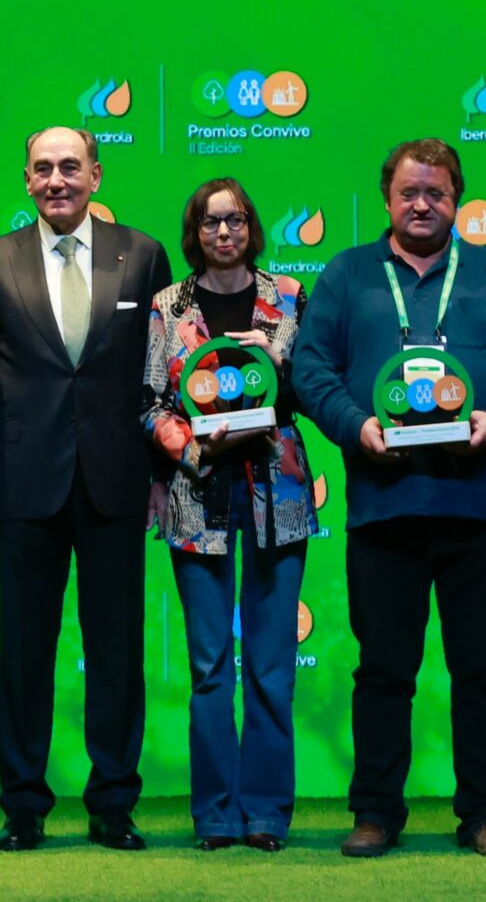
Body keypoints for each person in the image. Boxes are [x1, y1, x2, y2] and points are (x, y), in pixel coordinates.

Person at [290, 138, 486, 859]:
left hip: (481, 507)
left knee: (482, 673)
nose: (421, 204)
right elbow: (310, 367)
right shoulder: (346, 274)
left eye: (436, 192)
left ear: (457, 198)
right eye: (409, 191)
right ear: (387, 197)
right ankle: (376, 811)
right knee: (382, 671)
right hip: (385, 508)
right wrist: (355, 424)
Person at [0, 126, 170, 851]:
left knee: (116, 647)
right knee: (24, 650)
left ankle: (113, 800)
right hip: (23, 485)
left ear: (96, 173)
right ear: (26, 179)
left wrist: (160, 475)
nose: (57, 179)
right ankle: (23, 803)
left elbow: (162, 375)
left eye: (70, 167)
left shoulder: (141, 254)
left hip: (118, 480)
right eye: (43, 168)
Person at [142, 177, 321, 852]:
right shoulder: (169, 305)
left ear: (251, 225)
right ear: (195, 229)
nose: (225, 231)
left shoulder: (288, 298)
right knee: (211, 665)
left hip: (279, 493)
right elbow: (151, 402)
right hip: (199, 494)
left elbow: (312, 388)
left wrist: (277, 358)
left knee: (272, 666)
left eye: (236, 218)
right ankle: (215, 812)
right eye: (211, 220)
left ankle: (268, 811)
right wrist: (190, 447)